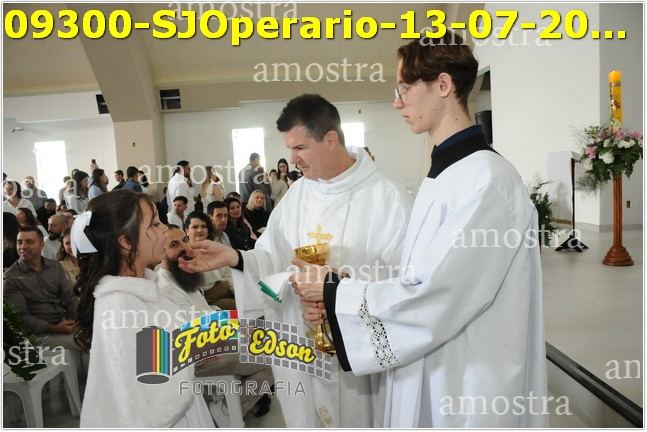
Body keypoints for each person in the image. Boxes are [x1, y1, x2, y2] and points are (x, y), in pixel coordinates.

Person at [289, 33, 549, 428]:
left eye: (405, 88)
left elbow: (437, 296)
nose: (397, 102)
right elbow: (422, 276)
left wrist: (334, 291)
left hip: (467, 381)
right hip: (437, 364)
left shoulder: (486, 181)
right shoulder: (446, 173)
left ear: (443, 85)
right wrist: (341, 285)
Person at [179, 94, 412, 428]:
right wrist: (237, 259)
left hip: (359, 359)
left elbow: (404, 284)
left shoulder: (389, 199)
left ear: (330, 140)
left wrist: (338, 289)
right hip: (304, 345)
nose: (292, 159)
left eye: (300, 148)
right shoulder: (298, 195)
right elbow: (272, 259)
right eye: (289, 149)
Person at [73, 189, 214, 427]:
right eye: (154, 224)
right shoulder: (121, 305)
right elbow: (153, 393)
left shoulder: (143, 289)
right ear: (126, 242)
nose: (163, 230)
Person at [157, 225, 273, 424]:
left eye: (185, 240)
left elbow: (206, 311)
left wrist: (234, 325)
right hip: (198, 358)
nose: (184, 247)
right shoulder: (164, 287)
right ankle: (229, 412)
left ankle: (231, 406)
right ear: (161, 252)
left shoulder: (182, 275)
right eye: (174, 245)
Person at [3, 227, 78, 351]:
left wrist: (77, 321)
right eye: (19, 242)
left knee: (98, 333)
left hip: (62, 322)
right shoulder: (10, 278)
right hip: (37, 335)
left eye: (29, 242)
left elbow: (69, 298)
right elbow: (21, 318)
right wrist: (54, 328)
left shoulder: (55, 266)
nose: (23, 247)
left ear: (42, 245)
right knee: (86, 341)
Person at [204, 201, 236, 310]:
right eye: (219, 216)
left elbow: (230, 262)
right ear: (209, 218)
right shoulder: (206, 239)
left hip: (228, 279)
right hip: (215, 287)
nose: (223, 219)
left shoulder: (224, 235)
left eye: (226, 215)